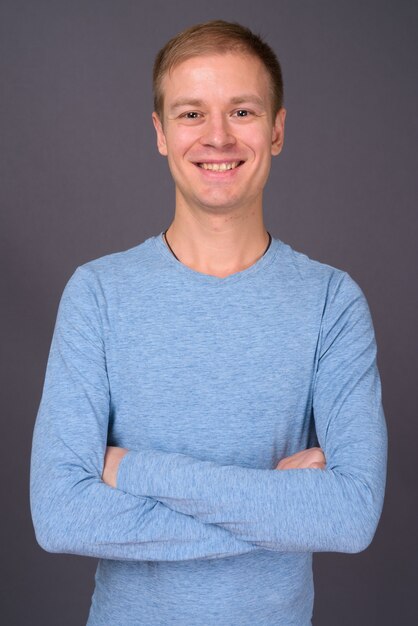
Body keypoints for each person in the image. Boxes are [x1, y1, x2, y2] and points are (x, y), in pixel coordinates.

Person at [30, 20, 388, 626]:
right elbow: (62, 515)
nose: (217, 137)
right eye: (192, 114)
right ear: (160, 133)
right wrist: (279, 508)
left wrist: (131, 470)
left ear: (276, 129)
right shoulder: (97, 294)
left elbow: (350, 516)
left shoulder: (332, 302)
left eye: (242, 112)